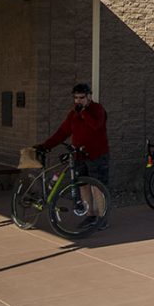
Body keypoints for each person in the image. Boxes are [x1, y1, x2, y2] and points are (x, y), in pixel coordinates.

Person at [37, 82, 110, 229]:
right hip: (79, 156)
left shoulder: (97, 109)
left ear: (89, 96)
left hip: (97, 155)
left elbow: (96, 125)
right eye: (75, 98)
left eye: (81, 97)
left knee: (98, 187)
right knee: (83, 186)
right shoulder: (73, 114)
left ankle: (102, 219)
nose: (78, 101)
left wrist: (83, 112)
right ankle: (90, 215)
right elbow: (62, 133)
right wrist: (45, 146)